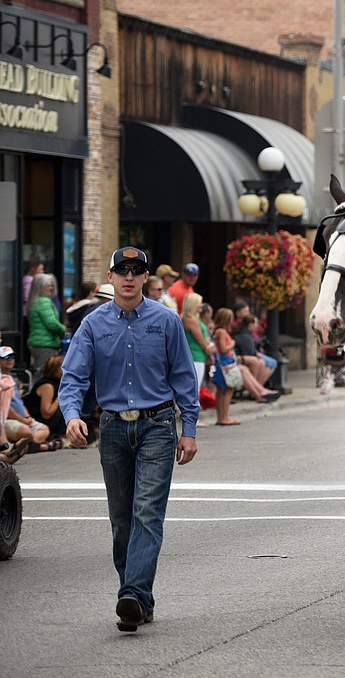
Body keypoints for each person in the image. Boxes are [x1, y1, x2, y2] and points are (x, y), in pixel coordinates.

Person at [58, 245, 200, 633]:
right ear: (111, 277)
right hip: (114, 429)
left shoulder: (166, 321)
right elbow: (73, 378)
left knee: (146, 514)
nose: (129, 277)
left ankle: (132, 595)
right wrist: (71, 416)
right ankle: (140, 599)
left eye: (137, 271)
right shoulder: (92, 324)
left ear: (145, 279)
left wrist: (188, 429)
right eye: (122, 270)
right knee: (122, 521)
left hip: (157, 426)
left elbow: (185, 378)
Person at [209, 308, 279, 426]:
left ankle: (221, 417)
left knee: (222, 391)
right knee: (227, 390)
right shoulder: (221, 332)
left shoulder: (219, 331)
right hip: (226, 364)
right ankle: (224, 417)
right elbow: (223, 349)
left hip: (224, 363)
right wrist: (231, 344)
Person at [26, 273, 68, 373]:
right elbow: (51, 323)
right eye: (48, 285)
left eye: (52, 285)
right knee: (44, 373)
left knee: (39, 371)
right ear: (40, 287)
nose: (51, 288)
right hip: (45, 344)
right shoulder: (44, 302)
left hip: (37, 344)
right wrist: (63, 330)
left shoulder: (34, 301)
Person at [233, 315, 275, 386]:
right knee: (260, 362)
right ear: (250, 324)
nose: (257, 326)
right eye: (256, 323)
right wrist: (256, 354)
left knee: (267, 362)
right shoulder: (246, 336)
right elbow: (249, 353)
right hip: (241, 358)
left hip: (247, 355)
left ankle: (258, 387)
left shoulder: (248, 334)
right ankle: (256, 387)